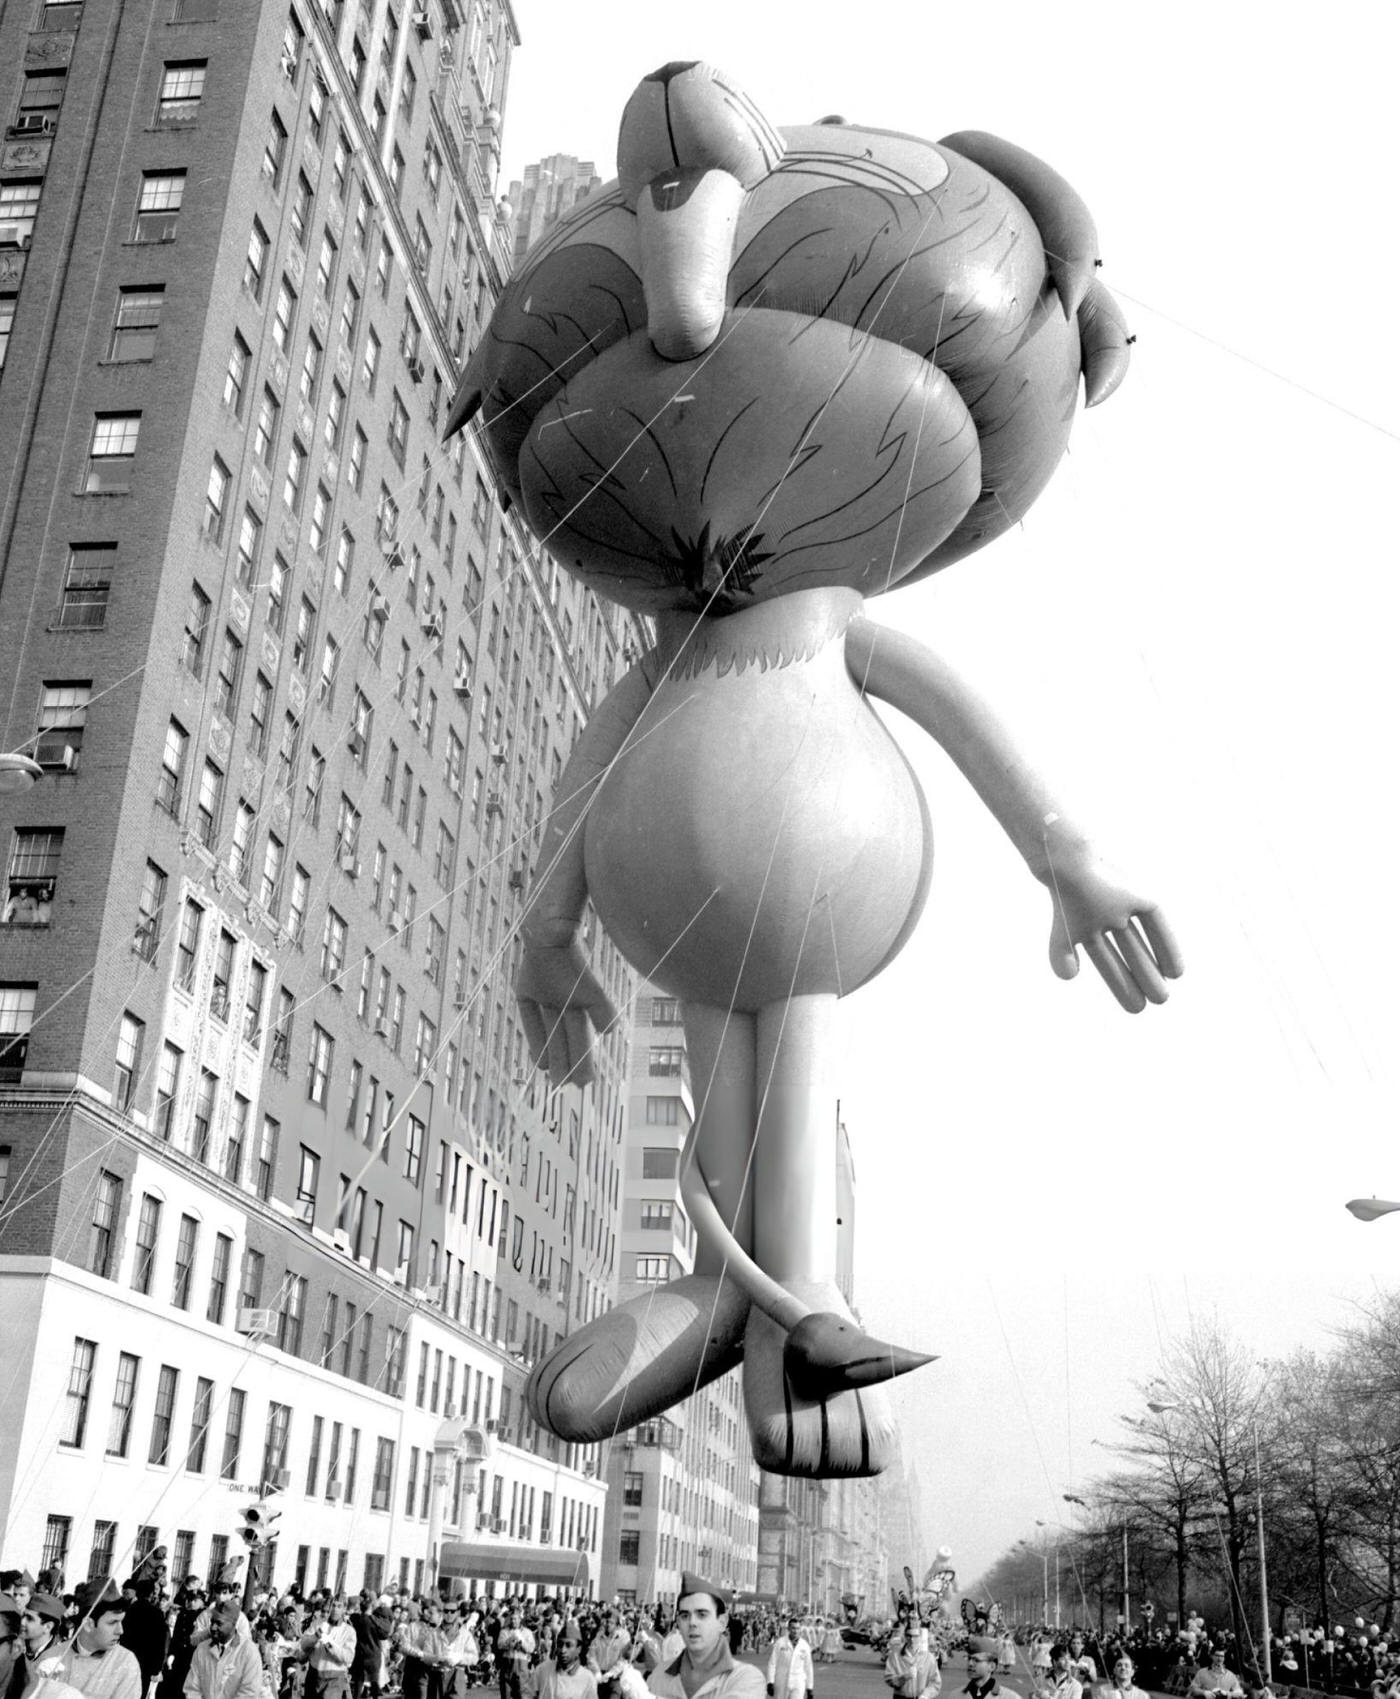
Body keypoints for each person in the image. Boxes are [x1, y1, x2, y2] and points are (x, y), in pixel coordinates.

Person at [646, 1574, 764, 1698]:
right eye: (685, 1616)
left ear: (722, 1622)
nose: (692, 1623)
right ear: (678, 1623)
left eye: (702, 1615)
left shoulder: (745, 1678)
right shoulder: (659, 1676)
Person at [58, 1586, 142, 1699]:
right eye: (113, 1622)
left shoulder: (125, 1663)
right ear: (88, 1624)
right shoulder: (54, 1656)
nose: (120, 1631)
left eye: (121, 1621)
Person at [183, 1602, 263, 1699]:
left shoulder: (249, 1652)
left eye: (219, 1623)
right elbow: (192, 1689)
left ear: (234, 1624)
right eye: (212, 1622)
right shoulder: (202, 1649)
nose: (213, 1627)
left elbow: (249, 1693)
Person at [527, 1621, 596, 1699]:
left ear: (578, 1649)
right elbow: (527, 1693)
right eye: (560, 1644)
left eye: (568, 1645)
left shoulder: (587, 1678)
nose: (563, 1650)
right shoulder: (543, 1669)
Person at [300, 1601, 355, 1699]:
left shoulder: (348, 1630)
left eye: (339, 1606)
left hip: (334, 1678)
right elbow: (303, 1645)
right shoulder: (317, 1624)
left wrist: (330, 1645)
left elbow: (348, 1657)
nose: (334, 1609)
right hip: (314, 1675)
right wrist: (315, 1636)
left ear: (344, 1610)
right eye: (333, 1606)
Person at [884, 1623, 941, 1697]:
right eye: (909, 1636)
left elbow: (935, 1682)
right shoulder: (895, 1656)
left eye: (915, 1636)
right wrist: (903, 1678)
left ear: (920, 1637)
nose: (912, 1639)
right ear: (904, 1636)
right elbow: (889, 1678)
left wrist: (926, 1695)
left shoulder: (929, 1658)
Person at [587, 1609, 630, 1699]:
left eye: (611, 1622)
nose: (608, 1625)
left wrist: (611, 1673)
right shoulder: (598, 1636)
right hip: (599, 1677)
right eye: (606, 1622)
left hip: (615, 1678)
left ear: (617, 1625)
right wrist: (597, 1671)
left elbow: (623, 1659)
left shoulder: (623, 1637)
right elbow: (591, 1656)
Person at [493, 1608, 535, 1699]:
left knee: (521, 1693)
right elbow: (500, 1645)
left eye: (515, 1619)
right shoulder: (504, 1631)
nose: (513, 1621)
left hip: (521, 1665)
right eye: (511, 1619)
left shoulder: (527, 1632)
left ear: (520, 1619)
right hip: (507, 1663)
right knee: (505, 1693)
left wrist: (521, 1642)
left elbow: (531, 1648)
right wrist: (509, 1641)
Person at [766, 1619, 813, 1699]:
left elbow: (808, 1667)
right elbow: (772, 1663)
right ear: (788, 1629)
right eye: (793, 1628)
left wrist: (809, 1688)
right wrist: (770, 1682)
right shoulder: (780, 1643)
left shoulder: (804, 1646)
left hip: (798, 1681)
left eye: (798, 1628)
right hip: (781, 1681)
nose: (795, 1631)